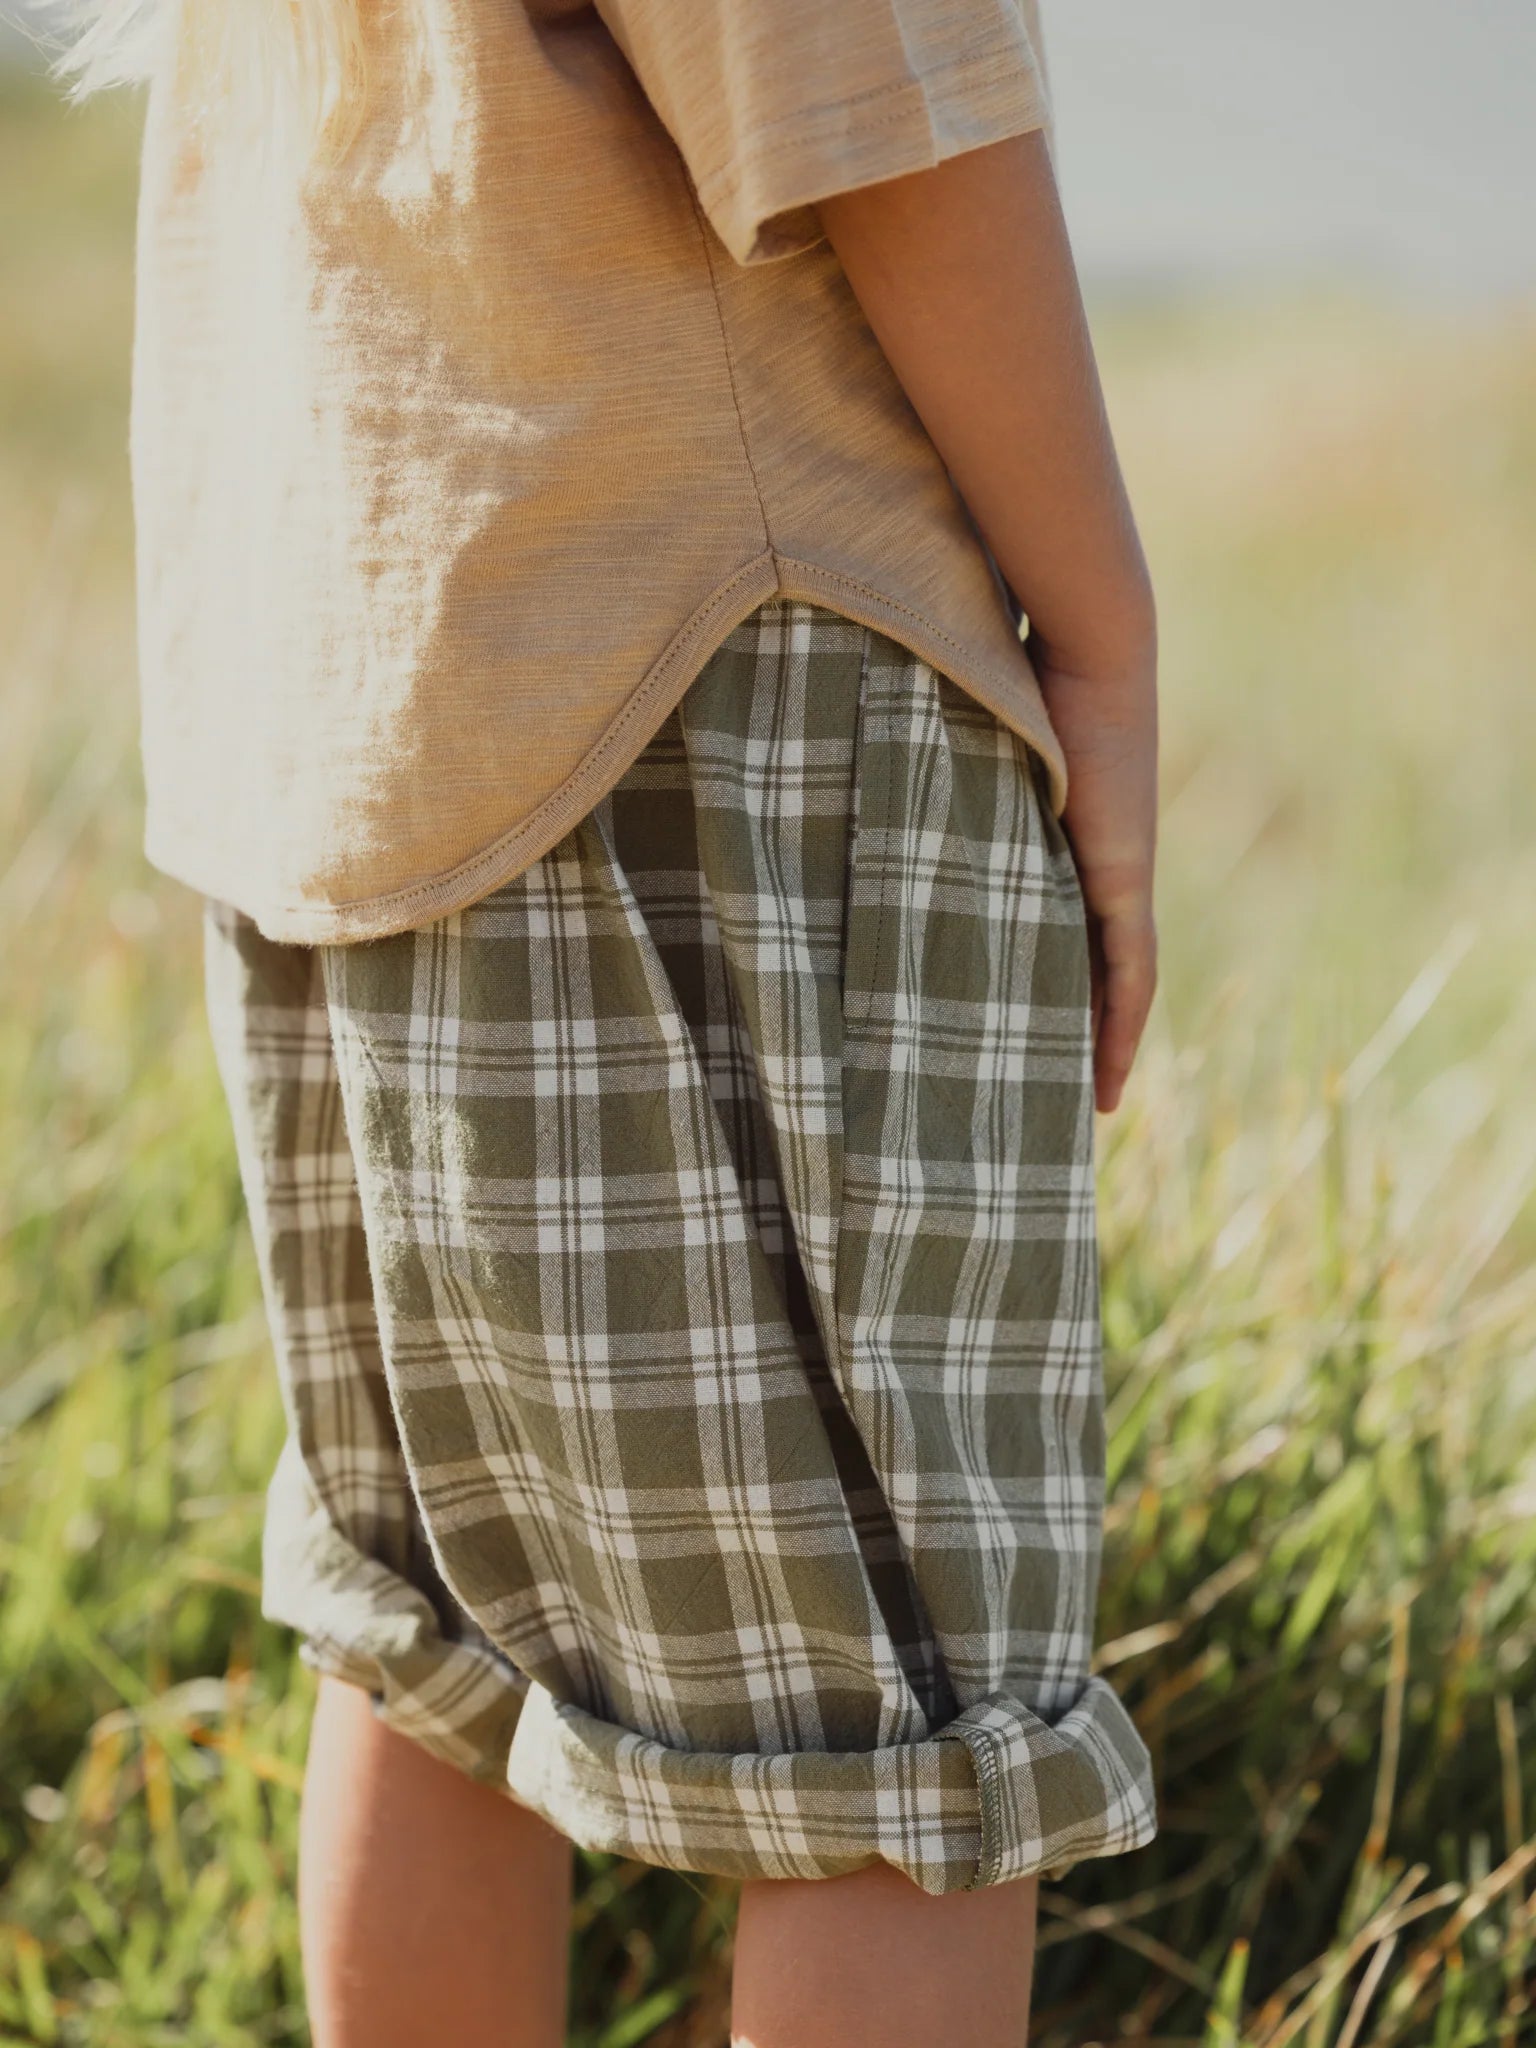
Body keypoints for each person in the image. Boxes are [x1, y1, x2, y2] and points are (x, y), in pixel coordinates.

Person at [58, 0, 1160, 2038]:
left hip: (362, 703)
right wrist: (1104, 642)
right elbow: (868, 111)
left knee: (449, 1639)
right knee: (895, 1739)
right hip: (716, 696)